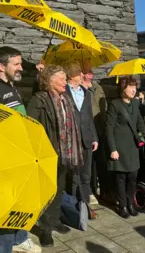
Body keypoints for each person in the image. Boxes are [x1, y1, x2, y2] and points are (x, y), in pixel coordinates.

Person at [0, 46, 41, 253]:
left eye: (21, 63)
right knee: (8, 207)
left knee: (21, 202)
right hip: (5, 159)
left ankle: (20, 238)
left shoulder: (11, 87)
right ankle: (4, 249)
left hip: (21, 155)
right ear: (1, 67)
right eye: (17, 64)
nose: (21, 68)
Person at [27, 65, 82, 247]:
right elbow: (32, 128)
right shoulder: (39, 100)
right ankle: (45, 229)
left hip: (64, 154)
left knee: (59, 189)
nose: (65, 81)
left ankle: (55, 220)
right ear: (49, 80)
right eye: (61, 78)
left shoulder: (65, 99)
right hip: (47, 154)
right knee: (46, 193)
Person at [105, 76, 145, 218]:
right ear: (123, 88)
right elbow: (108, 128)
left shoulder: (134, 103)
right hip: (119, 147)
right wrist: (113, 149)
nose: (134, 90)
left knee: (133, 177)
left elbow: (140, 122)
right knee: (121, 178)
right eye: (131, 87)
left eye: (135, 87)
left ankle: (130, 203)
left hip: (133, 146)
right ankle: (122, 205)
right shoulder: (115, 105)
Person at [64, 63, 99, 211]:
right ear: (72, 76)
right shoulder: (63, 92)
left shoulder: (86, 93)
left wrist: (95, 137)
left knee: (86, 172)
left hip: (87, 138)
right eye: (79, 74)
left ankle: (85, 202)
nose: (82, 77)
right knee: (73, 174)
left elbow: (89, 117)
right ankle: (73, 204)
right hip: (71, 138)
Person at [81, 67, 111, 204]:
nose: (90, 73)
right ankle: (91, 191)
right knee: (90, 163)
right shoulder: (79, 89)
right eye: (88, 71)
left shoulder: (97, 87)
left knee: (102, 160)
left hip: (100, 127)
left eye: (91, 71)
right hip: (88, 128)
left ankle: (105, 191)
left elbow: (104, 105)